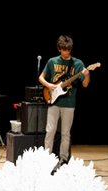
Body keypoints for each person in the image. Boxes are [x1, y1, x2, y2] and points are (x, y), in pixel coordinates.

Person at [38, 35, 90, 170]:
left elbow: (85, 84)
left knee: (65, 133)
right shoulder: (52, 61)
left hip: (69, 103)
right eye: (64, 50)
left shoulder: (78, 64)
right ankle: (46, 158)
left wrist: (87, 75)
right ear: (59, 49)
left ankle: (63, 160)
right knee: (50, 131)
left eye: (69, 50)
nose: (67, 52)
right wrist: (49, 85)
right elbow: (41, 77)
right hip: (54, 102)